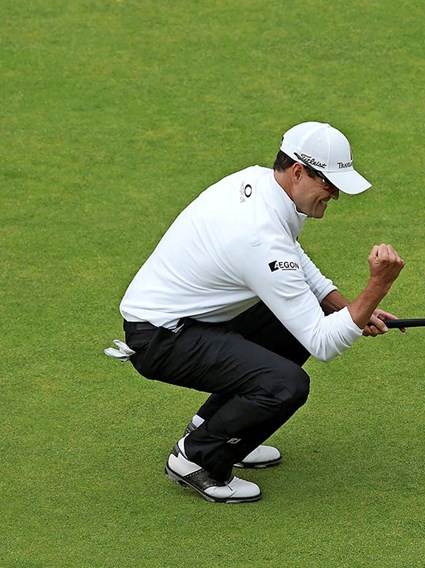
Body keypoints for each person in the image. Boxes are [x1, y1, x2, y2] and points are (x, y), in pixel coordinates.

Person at [105, 121, 405, 503]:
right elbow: (324, 343)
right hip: (162, 338)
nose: (335, 195)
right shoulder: (258, 235)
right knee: (286, 385)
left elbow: (291, 253)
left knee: (306, 313)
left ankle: (208, 429)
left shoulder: (263, 184)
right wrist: (377, 288)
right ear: (298, 171)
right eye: (329, 184)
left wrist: (347, 307)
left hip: (192, 320)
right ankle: (197, 457)